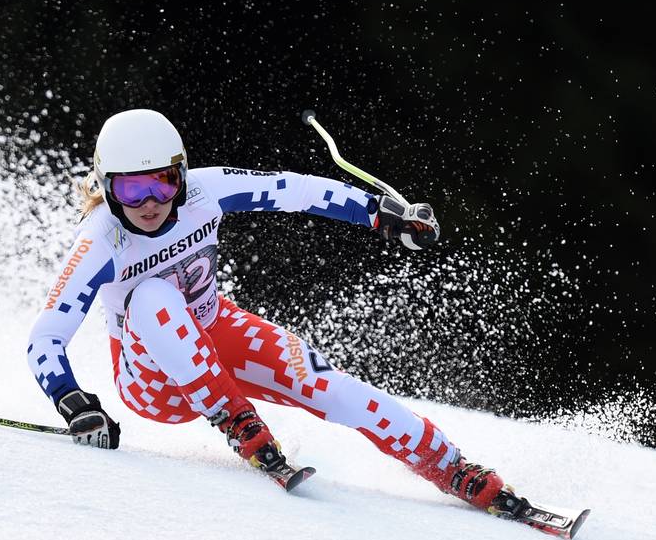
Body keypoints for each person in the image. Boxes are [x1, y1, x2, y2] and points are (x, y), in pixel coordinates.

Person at [26, 108, 512, 510]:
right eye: (133, 190)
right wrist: (74, 402)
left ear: (183, 174)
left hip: (215, 331)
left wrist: (380, 214)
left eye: (164, 183)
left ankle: (455, 469)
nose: (151, 202)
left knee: (330, 387)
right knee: (152, 295)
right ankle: (239, 424)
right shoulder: (100, 240)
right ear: (108, 187)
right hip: (154, 384)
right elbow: (45, 338)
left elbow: (297, 190)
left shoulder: (204, 190)